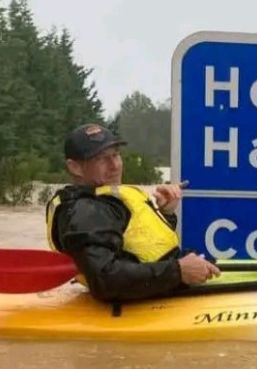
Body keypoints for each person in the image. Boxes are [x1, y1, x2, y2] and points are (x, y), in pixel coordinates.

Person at [45, 123, 219, 302]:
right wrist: (178, 271)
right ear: (75, 168)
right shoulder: (85, 212)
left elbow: (136, 248)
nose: (114, 165)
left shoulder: (103, 201)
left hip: (158, 287)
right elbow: (105, 279)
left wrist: (165, 213)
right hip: (143, 301)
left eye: (115, 155)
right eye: (101, 159)